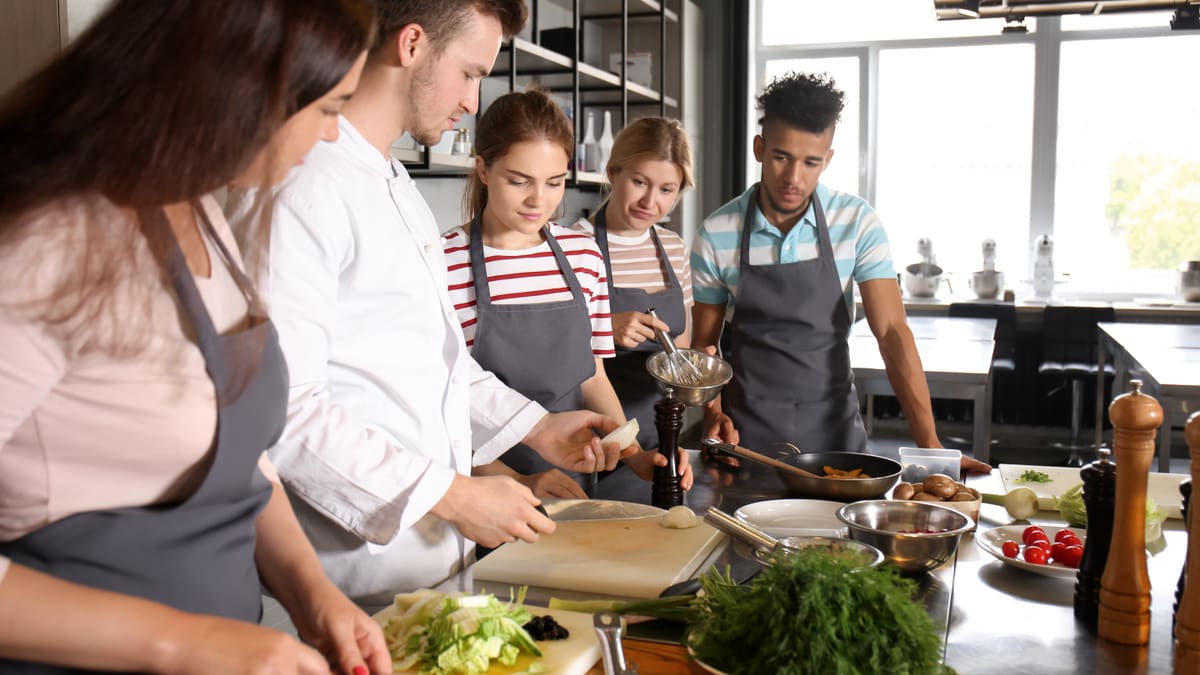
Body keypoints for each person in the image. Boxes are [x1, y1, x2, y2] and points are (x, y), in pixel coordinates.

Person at [0, 1, 392, 673]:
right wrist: (186, 642)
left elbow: (240, 457)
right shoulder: (49, 244)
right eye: (330, 108)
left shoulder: (199, 208)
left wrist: (310, 591)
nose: (331, 136)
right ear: (242, 86)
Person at [237, 0, 630, 610]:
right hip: (353, 580)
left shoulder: (396, 184)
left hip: (433, 566)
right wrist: (455, 496)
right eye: (471, 72)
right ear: (412, 44)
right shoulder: (306, 183)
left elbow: (439, 363)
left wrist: (537, 427)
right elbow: (283, 414)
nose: (474, 102)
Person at [690, 72, 991, 475]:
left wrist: (929, 443)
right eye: (781, 157)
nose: (793, 178)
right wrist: (713, 414)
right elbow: (704, 350)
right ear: (759, 148)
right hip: (746, 439)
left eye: (811, 162)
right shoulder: (717, 232)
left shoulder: (857, 222)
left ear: (828, 159)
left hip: (835, 435)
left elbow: (892, 332)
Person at [443, 91, 693, 499]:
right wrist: (516, 481)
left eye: (554, 182)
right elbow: (442, 403)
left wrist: (633, 453)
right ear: (483, 169)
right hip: (485, 489)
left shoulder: (582, 255)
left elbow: (592, 376)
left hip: (576, 481)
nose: (537, 200)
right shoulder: (445, 261)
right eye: (518, 180)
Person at [567, 116, 700, 453]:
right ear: (613, 172)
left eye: (667, 190)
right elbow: (548, 346)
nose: (650, 202)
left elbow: (681, 344)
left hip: (660, 434)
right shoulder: (571, 245)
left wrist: (694, 366)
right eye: (640, 182)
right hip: (588, 438)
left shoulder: (673, 248)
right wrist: (604, 327)